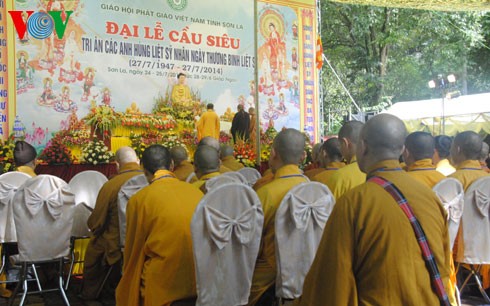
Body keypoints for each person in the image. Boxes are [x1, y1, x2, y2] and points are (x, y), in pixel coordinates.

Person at [295, 114, 454, 306]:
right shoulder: (430, 197)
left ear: (363, 146)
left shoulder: (354, 202)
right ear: (403, 149)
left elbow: (332, 283)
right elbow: (444, 266)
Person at [116, 145, 203, 306]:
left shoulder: (139, 199)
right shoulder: (196, 192)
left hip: (163, 285)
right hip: (201, 280)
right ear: (171, 165)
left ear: (143, 169)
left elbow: (133, 250)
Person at [248, 128, 308, 305]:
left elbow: (251, 243)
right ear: (303, 156)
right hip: (308, 269)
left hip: (271, 278)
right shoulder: (315, 189)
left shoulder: (266, 193)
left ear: (273, 153)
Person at [81, 147, 142, 301]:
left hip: (117, 243)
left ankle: (91, 295)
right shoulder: (151, 180)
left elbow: (95, 222)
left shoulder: (111, 185)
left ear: (116, 164)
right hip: (147, 239)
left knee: (94, 248)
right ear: (138, 162)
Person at [326, 121, 365, 199]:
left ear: (345, 143)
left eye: (340, 145)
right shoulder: (378, 171)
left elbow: (330, 209)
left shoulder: (341, 178)